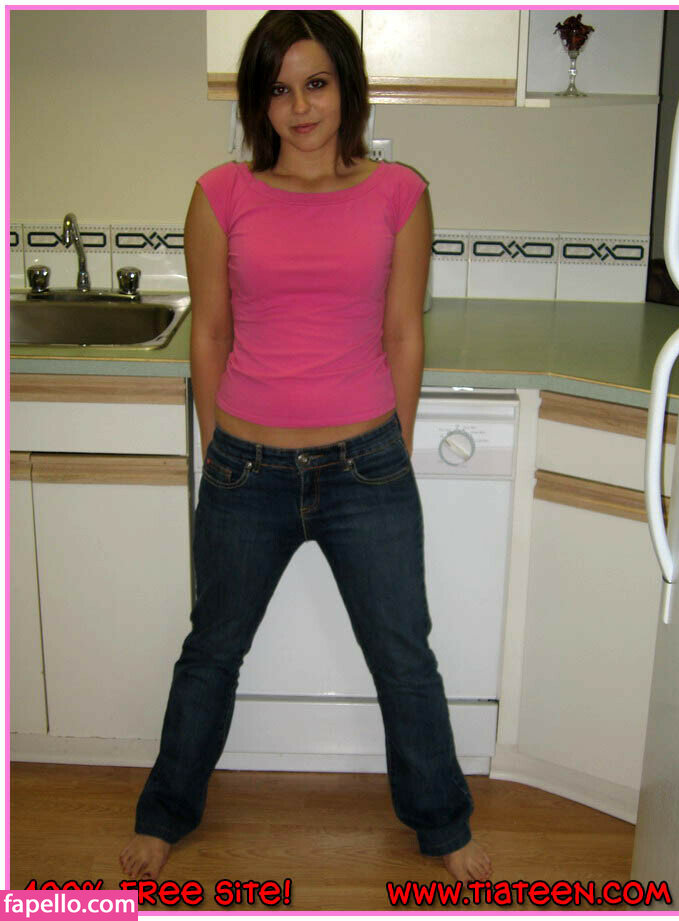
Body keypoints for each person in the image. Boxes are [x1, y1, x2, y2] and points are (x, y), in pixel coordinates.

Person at [119, 10, 491, 886]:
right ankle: (164, 813)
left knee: (403, 654)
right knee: (212, 649)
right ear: (259, 102)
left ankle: (442, 823)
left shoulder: (399, 193)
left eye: (316, 83)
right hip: (245, 468)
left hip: (366, 466)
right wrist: (220, 449)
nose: (300, 107)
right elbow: (210, 334)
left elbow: (403, 333)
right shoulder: (220, 194)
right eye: (279, 89)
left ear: (345, 88)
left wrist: (393, 448)